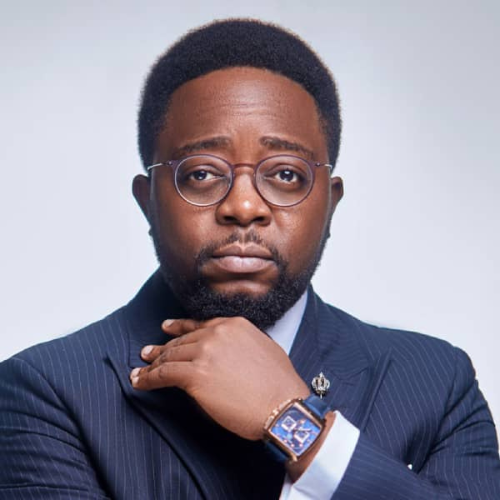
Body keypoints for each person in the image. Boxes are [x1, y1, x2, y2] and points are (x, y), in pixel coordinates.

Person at [0, 18, 498, 500]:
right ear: (148, 200)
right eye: (201, 174)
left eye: (285, 175)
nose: (243, 206)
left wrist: (298, 427)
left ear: (330, 204)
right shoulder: (44, 393)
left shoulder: (436, 383)